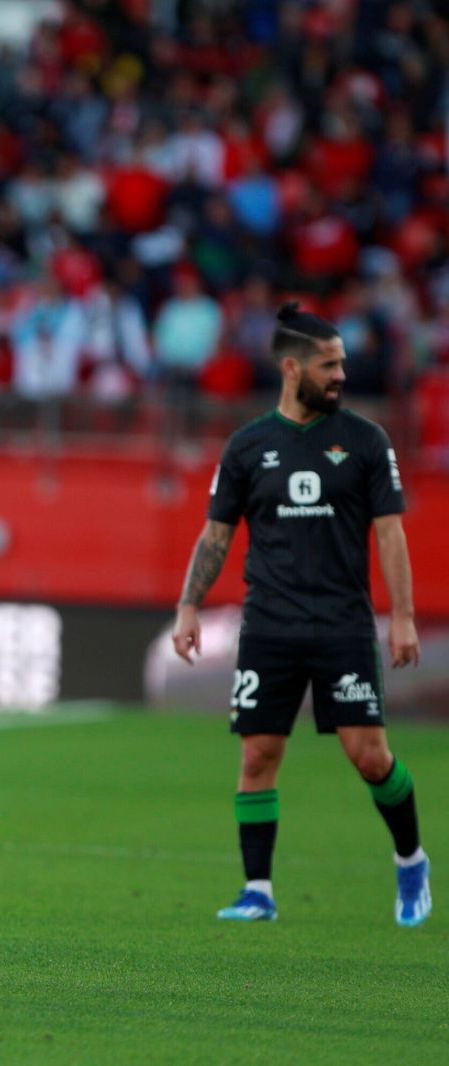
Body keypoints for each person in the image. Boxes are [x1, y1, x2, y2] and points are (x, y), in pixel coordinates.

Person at [172, 302, 429, 927]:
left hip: (342, 623)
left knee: (369, 756)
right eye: (329, 365)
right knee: (257, 756)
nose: (341, 374)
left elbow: (390, 533)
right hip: (269, 625)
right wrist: (188, 605)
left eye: (342, 362)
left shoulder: (366, 441)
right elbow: (216, 534)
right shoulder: (248, 446)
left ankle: (410, 861)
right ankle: (257, 890)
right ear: (293, 369)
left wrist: (403, 616)